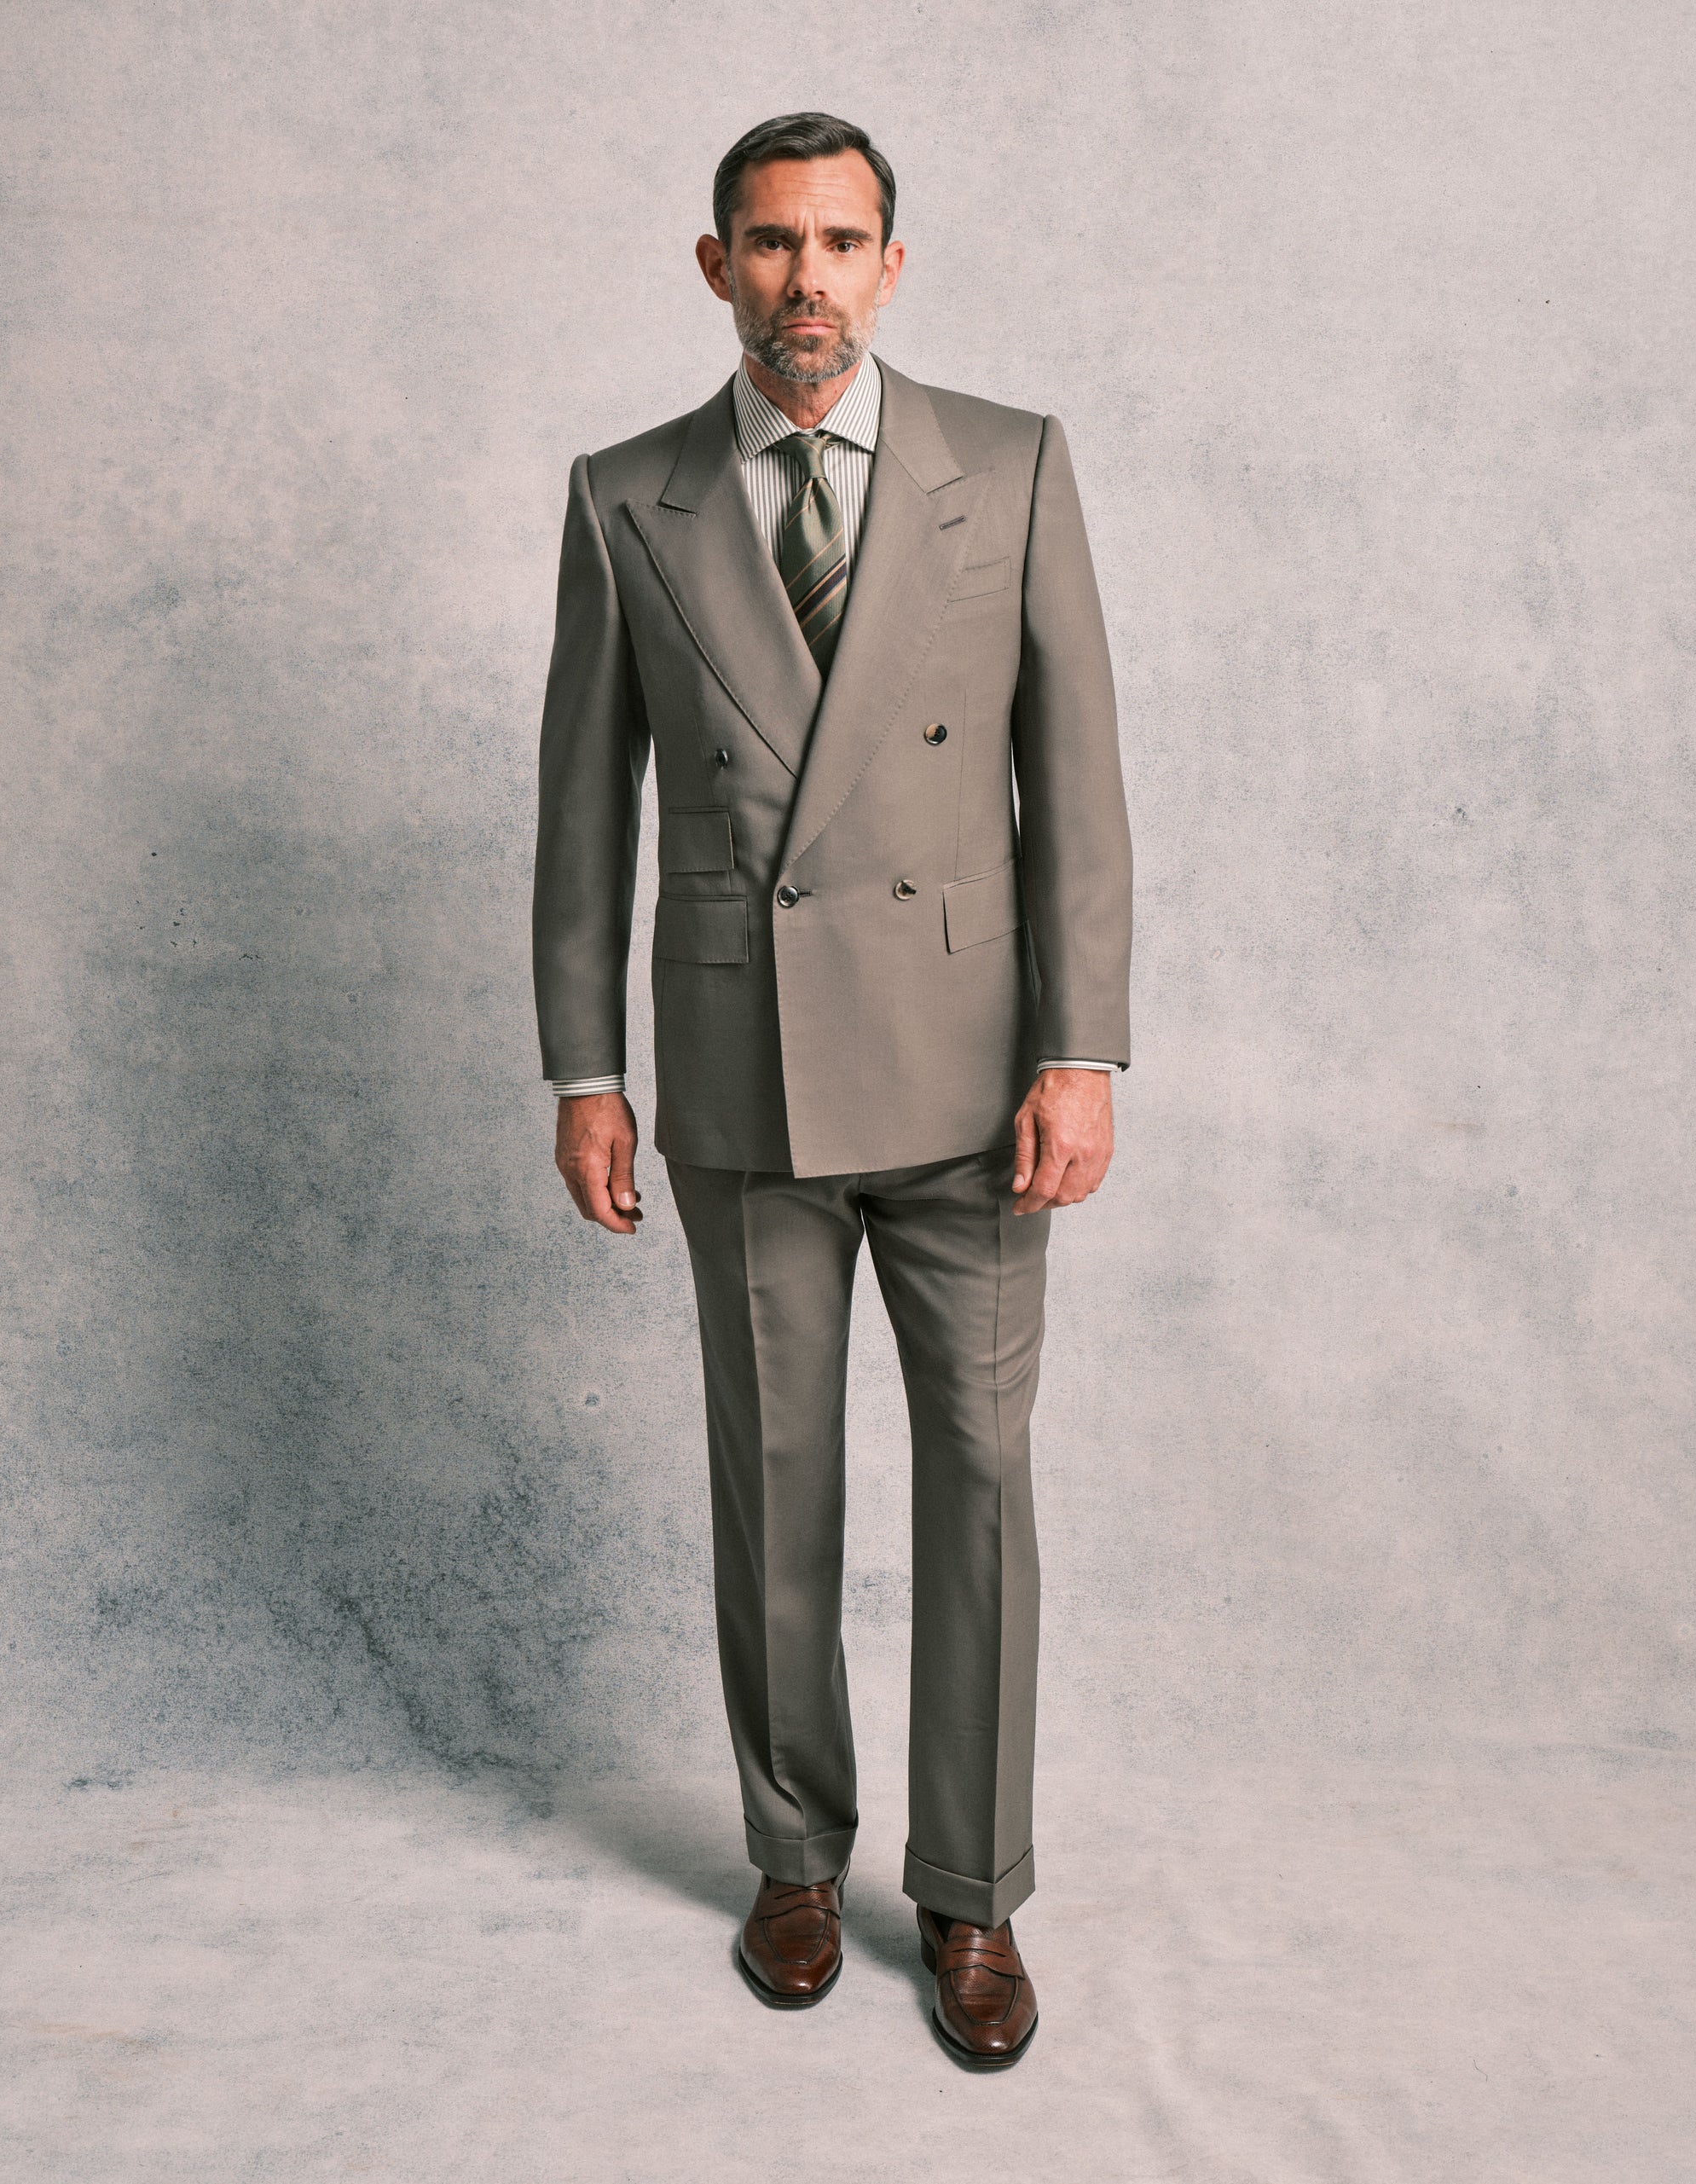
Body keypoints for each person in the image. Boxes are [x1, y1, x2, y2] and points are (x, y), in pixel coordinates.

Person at [532, 111, 1132, 2069]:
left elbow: (1076, 784)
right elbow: (582, 814)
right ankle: (795, 1856)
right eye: (773, 244)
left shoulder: (1010, 465)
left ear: (892, 264)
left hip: (973, 1084)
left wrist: (1078, 1053)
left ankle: (971, 1893)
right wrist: (585, 1072)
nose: (809, 279)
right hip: (745, 1073)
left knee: (978, 1486)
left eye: (842, 241)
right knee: (775, 1480)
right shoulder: (626, 496)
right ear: (717, 267)